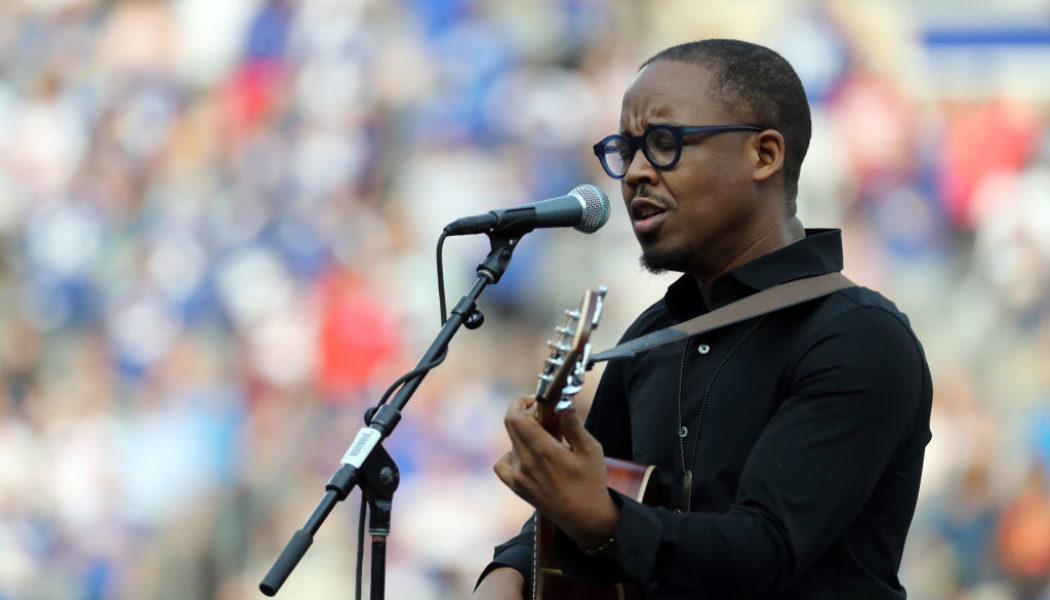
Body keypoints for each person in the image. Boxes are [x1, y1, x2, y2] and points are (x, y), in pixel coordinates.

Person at [473, 39, 933, 600]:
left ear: (764, 155)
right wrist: (509, 572)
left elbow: (767, 551)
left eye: (665, 144)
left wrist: (608, 522)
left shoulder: (858, 337)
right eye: (626, 148)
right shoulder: (648, 338)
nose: (636, 172)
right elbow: (578, 504)